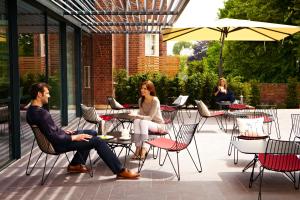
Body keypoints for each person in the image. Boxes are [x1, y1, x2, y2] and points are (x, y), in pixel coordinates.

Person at [26, 82, 139, 179]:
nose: (49, 96)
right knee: (98, 141)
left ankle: (76, 164)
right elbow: (55, 138)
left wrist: (64, 132)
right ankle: (120, 171)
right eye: (46, 93)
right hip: (58, 144)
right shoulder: (42, 114)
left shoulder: (31, 111)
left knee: (92, 133)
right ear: (39, 94)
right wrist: (74, 137)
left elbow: (49, 131)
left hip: (56, 140)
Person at [129, 80, 165, 159]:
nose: (142, 90)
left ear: (150, 90)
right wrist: (135, 116)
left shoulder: (155, 100)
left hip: (158, 125)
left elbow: (150, 117)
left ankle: (144, 148)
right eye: (142, 88)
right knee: (137, 121)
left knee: (143, 122)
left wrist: (137, 115)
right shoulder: (140, 100)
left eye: (145, 89)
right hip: (146, 123)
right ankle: (138, 147)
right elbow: (141, 115)